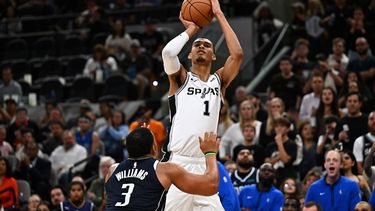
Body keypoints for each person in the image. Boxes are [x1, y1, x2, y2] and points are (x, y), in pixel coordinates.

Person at [161, 0, 243, 209]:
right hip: (178, 163)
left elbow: (238, 55)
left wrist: (218, 13)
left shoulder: (219, 81)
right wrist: (192, 29)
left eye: (206, 45)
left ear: (214, 56)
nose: (200, 46)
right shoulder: (181, 79)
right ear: (189, 54)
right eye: (197, 44)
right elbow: (169, 54)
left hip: (205, 163)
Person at [105, 127, 220, 210]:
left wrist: (141, 138)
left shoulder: (112, 170)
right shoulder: (164, 170)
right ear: (154, 148)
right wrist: (210, 153)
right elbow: (211, 186)